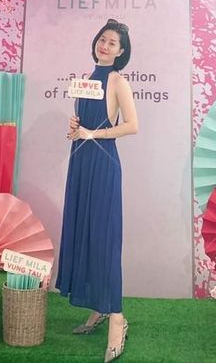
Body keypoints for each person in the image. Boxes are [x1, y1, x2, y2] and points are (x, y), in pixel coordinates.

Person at [56, 19, 139, 362]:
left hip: (104, 164)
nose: (105, 46)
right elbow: (82, 122)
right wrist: (75, 127)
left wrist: (94, 134)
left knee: (104, 240)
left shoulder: (118, 81)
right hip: (80, 162)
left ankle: (117, 317)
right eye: (102, 40)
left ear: (121, 52)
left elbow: (132, 126)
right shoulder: (85, 80)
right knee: (84, 233)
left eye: (112, 43)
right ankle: (97, 307)